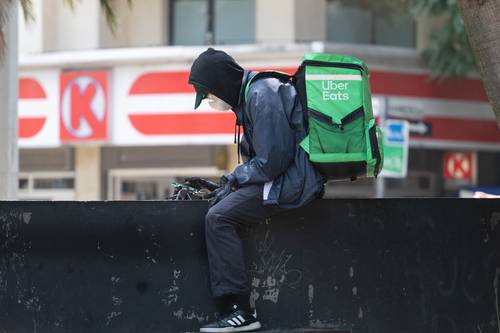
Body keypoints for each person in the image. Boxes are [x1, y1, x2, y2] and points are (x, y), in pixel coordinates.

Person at [188, 48, 324, 333]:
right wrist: (233, 182)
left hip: (291, 181)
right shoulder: (254, 95)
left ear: (220, 85)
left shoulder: (261, 95)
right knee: (222, 204)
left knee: (219, 217)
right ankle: (238, 311)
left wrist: (236, 176)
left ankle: (240, 312)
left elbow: (273, 160)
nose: (209, 101)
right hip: (285, 176)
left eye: (209, 95)